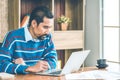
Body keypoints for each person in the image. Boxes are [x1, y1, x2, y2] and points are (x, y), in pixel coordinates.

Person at [0, 6, 57, 74]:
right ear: (34, 23)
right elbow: (2, 65)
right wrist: (29, 68)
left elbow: (53, 60)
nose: (48, 31)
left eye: (50, 27)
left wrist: (27, 67)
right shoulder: (12, 36)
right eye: (45, 27)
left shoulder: (47, 37)